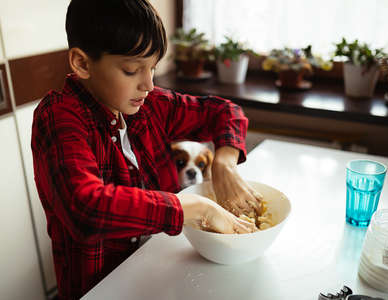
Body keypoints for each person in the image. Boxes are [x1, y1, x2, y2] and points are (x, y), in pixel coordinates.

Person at [31, 1, 262, 299]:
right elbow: (86, 208)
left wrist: (225, 164)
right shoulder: (58, 116)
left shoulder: (150, 106)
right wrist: (195, 207)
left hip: (161, 273)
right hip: (99, 288)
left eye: (152, 68)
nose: (149, 84)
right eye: (132, 70)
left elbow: (225, 112)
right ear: (82, 63)